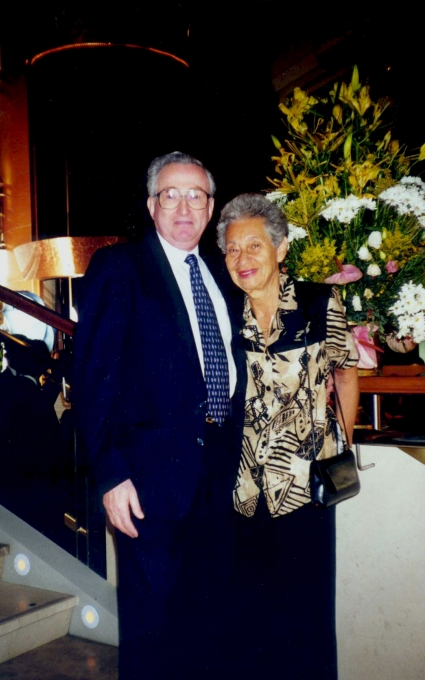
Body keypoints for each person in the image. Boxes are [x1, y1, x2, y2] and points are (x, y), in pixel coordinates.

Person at [74, 152, 245, 680]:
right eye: (171, 194)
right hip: (149, 482)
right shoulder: (120, 267)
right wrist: (110, 473)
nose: (184, 206)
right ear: (151, 205)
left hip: (221, 477)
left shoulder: (224, 275)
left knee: (208, 624)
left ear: (211, 207)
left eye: (196, 195)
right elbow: (94, 375)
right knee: (153, 634)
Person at [216, 193, 360, 680]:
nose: (243, 259)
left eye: (254, 246)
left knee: (307, 621)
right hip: (242, 495)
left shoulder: (320, 303)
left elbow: (344, 374)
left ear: (280, 248)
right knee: (248, 623)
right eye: (233, 249)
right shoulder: (222, 316)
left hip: (306, 494)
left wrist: (336, 444)